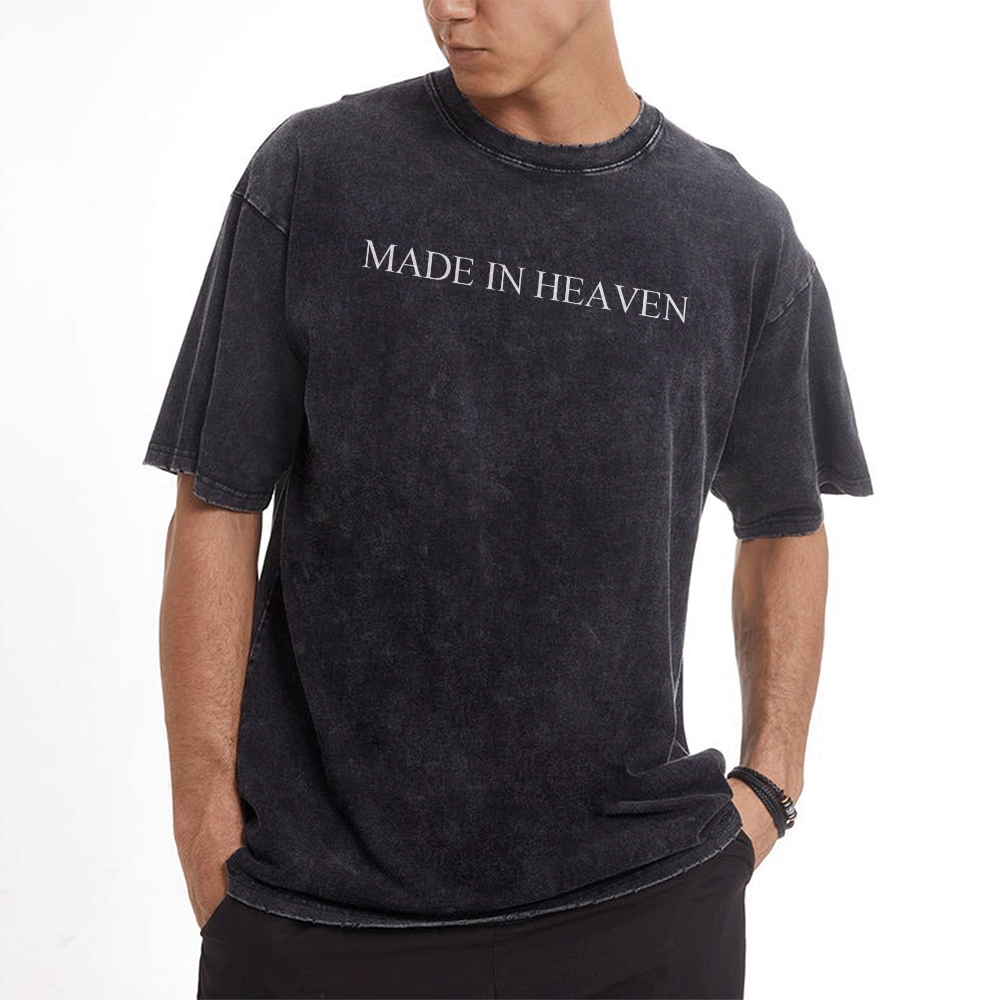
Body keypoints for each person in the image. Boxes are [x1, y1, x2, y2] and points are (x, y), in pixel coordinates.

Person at [143, 1, 873, 997]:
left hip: (640, 907)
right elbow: (217, 499)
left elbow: (786, 521)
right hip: (319, 914)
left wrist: (771, 783)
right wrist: (204, 830)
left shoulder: (735, 233)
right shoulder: (320, 173)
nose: (452, 8)